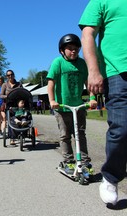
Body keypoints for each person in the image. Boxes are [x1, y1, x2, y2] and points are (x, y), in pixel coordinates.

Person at [79, 0, 127, 206]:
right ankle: (111, 177)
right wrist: (93, 70)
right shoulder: (101, 1)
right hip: (118, 73)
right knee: (121, 128)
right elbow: (88, 34)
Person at [47, 33, 97, 176]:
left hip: (79, 106)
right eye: (70, 48)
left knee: (80, 134)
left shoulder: (82, 64)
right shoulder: (58, 63)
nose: (73, 51)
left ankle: (85, 163)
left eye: (76, 48)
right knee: (65, 135)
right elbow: (51, 84)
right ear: (62, 50)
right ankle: (68, 161)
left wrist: (92, 98)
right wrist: (52, 101)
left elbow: (88, 82)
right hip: (62, 107)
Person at [0, 69, 23, 145]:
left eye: (11, 74)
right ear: (6, 76)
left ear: (14, 75)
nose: (10, 76)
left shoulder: (19, 84)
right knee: (10, 120)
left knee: (20, 118)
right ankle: (12, 138)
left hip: (18, 105)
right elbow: (1, 95)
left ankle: (21, 134)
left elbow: (23, 93)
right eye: (8, 75)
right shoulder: (4, 85)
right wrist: (8, 96)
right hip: (9, 105)